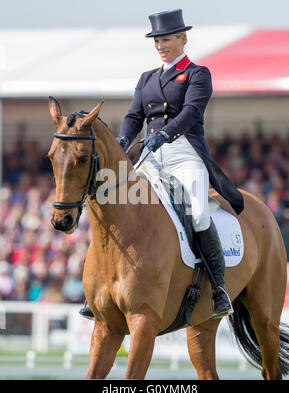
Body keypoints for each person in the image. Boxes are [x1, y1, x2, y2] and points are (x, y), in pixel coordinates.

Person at [80, 9, 244, 320]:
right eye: (157, 41)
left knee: (196, 212)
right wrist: (124, 141)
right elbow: (133, 117)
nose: (160, 45)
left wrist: (166, 134)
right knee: (114, 202)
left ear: (183, 39)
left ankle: (219, 287)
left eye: (166, 39)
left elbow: (192, 112)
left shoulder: (197, 74)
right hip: (150, 156)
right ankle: (97, 286)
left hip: (184, 154)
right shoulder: (147, 78)